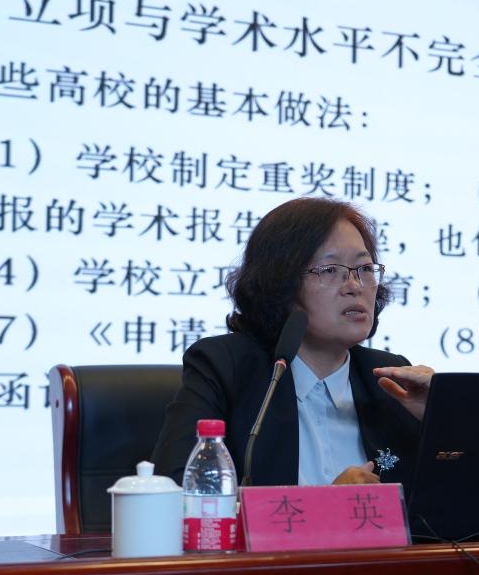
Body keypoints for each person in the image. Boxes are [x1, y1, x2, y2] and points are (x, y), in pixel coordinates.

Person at [151, 197, 434, 487]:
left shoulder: (389, 379)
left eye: (364, 269)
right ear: (280, 285)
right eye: (329, 270)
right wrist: (325, 506)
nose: (354, 286)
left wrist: (442, 419)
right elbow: (176, 487)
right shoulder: (226, 366)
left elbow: (442, 502)